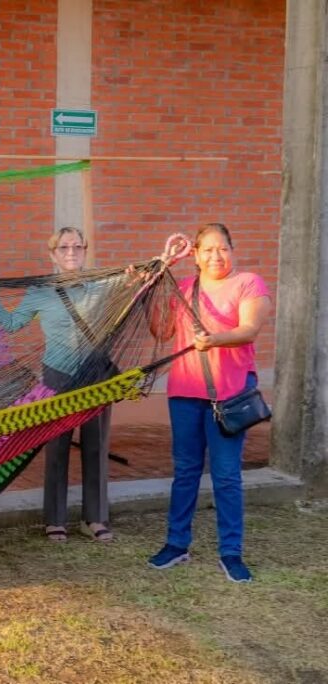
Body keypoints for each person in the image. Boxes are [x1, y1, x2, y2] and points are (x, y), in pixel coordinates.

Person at [147, 223, 271, 583]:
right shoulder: (185, 287)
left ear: (232, 251)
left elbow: (249, 329)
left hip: (230, 394)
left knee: (226, 474)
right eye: (208, 250)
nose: (217, 256)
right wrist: (158, 280)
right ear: (196, 256)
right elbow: (161, 330)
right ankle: (176, 544)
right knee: (185, 470)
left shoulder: (249, 283)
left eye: (223, 248)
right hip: (185, 393)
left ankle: (231, 552)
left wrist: (214, 339)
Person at [0, 227, 114, 543]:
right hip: (57, 374)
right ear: (53, 254)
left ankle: (95, 518)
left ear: (85, 250)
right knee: (57, 445)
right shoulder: (39, 291)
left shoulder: (101, 285)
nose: (71, 252)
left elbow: (134, 290)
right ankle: (55, 519)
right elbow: (12, 324)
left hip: (95, 375)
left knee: (96, 445)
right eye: (64, 247)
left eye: (77, 246)